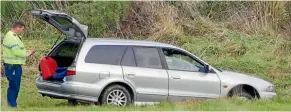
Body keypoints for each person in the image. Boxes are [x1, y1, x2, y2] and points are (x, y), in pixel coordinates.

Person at [2, 20, 35, 107]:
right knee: (14, 86)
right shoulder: (12, 37)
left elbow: (17, 49)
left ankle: (12, 103)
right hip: (12, 66)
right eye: (22, 29)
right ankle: (12, 105)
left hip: (13, 65)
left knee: (15, 85)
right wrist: (28, 53)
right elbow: (17, 52)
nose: (22, 31)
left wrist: (26, 51)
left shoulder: (12, 35)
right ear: (17, 28)